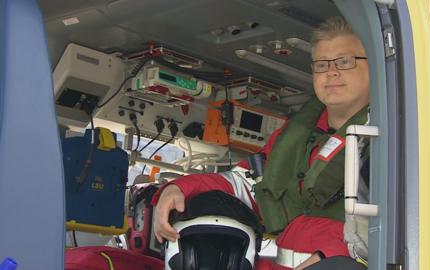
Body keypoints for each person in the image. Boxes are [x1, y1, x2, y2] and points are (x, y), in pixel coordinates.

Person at [151, 16, 370, 270]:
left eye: (345, 61)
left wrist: (336, 257)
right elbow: (246, 185)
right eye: (321, 64)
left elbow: (407, 222)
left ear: (374, 66)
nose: (331, 72)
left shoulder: (395, 144)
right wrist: (178, 189)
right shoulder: (297, 138)